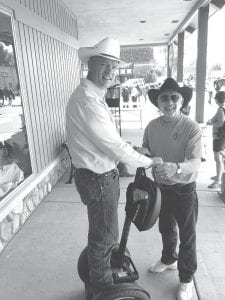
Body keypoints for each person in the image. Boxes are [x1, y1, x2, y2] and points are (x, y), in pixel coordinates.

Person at [65, 37, 162, 298]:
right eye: (104, 65)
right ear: (90, 64)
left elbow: (106, 139)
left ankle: (99, 277)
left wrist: (132, 148)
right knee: (105, 239)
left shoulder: (91, 96)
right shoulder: (88, 100)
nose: (110, 72)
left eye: (114, 67)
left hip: (95, 176)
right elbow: (113, 147)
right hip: (98, 179)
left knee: (102, 234)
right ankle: (103, 289)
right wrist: (148, 161)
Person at [143, 78, 202, 300]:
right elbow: (147, 149)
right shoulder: (152, 126)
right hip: (161, 189)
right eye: (164, 98)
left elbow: (196, 162)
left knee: (188, 236)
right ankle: (169, 259)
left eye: (174, 98)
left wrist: (176, 168)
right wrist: (141, 153)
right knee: (166, 228)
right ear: (158, 102)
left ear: (181, 101)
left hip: (184, 190)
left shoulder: (191, 127)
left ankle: (186, 279)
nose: (169, 102)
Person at [207, 91, 225, 188]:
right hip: (221, 138)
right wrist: (213, 119)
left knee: (217, 158)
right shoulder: (222, 109)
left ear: (217, 99)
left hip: (219, 137)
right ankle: (219, 175)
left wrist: (211, 123)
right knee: (219, 158)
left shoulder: (221, 110)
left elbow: (220, 123)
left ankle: (218, 181)